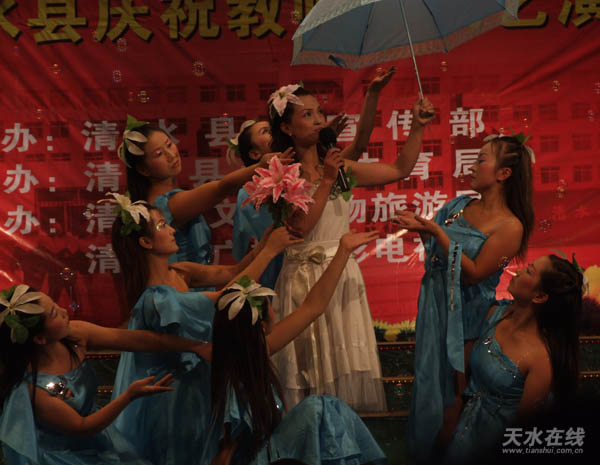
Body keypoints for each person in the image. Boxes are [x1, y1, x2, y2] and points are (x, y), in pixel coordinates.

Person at [267, 80, 435, 412]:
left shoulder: (338, 165)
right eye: (307, 115)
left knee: (343, 367)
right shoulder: (281, 172)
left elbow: (399, 169)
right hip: (305, 280)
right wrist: (327, 180)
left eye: (319, 112)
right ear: (286, 127)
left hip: (342, 275)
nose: (318, 120)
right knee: (311, 369)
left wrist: (417, 126)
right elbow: (300, 227)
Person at [108, 192, 301, 465]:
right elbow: (228, 296)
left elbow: (232, 273)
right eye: (162, 225)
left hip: (200, 382)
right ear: (146, 242)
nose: (172, 229)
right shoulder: (156, 298)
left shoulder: (179, 271)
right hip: (176, 397)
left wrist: (263, 244)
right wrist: (270, 251)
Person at [391, 133, 535, 460]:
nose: (472, 166)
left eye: (481, 160)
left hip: (466, 317)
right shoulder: (459, 206)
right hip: (434, 305)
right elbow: (436, 254)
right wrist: (422, 229)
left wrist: (435, 230)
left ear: (503, 173)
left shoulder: (511, 226)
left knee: (452, 401)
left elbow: (474, 273)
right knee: (428, 382)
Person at [202, 230, 386, 465]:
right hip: (257, 460)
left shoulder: (256, 350)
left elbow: (313, 306)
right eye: (268, 304)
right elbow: (226, 450)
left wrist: (343, 250)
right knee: (319, 407)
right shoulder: (236, 371)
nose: (273, 307)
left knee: (325, 406)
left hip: (272, 453)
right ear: (259, 325)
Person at [0, 284, 210, 465]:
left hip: (99, 438)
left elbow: (135, 340)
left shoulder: (75, 336)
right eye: (55, 313)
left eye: (55, 304)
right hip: (67, 456)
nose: (64, 310)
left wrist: (194, 346)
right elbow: (83, 427)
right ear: (39, 339)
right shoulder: (35, 390)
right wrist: (129, 396)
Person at [230, 69, 395, 289]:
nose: (271, 134)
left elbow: (358, 147)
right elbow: (292, 228)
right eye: (265, 131)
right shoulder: (255, 190)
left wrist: (372, 94)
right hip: (282, 269)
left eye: (318, 113)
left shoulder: (323, 167)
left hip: (325, 268)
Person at [118, 115, 293, 281]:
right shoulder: (166, 205)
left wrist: (266, 248)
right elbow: (221, 188)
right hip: (184, 293)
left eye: (169, 145)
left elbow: (232, 271)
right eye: (158, 154)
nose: (171, 155)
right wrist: (260, 166)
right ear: (143, 170)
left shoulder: (168, 200)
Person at [444, 255, 582, 464]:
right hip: (462, 429)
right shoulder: (493, 313)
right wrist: (451, 420)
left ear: (540, 296)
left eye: (529, 271)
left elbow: (526, 429)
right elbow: (461, 373)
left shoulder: (541, 359)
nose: (518, 271)